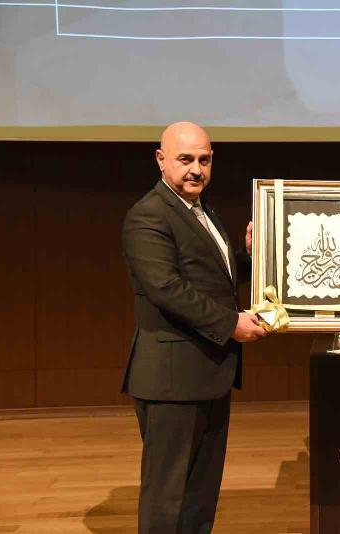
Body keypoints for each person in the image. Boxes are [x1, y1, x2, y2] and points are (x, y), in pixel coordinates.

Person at [121, 121, 267, 534]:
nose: (196, 169)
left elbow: (212, 279)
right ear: (160, 159)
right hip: (171, 380)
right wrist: (231, 324)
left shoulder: (203, 211)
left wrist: (248, 256)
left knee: (200, 493)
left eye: (204, 160)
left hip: (209, 373)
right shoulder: (148, 215)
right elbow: (167, 289)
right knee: (167, 497)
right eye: (185, 159)